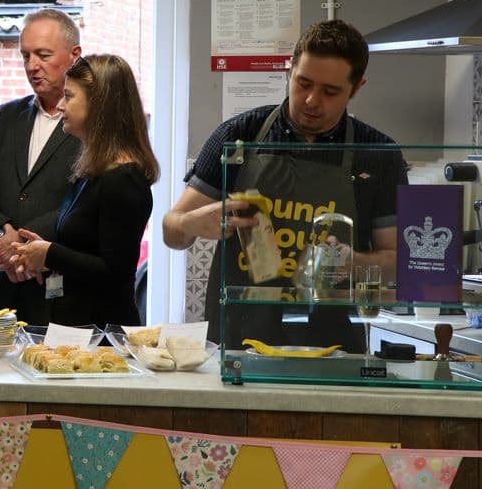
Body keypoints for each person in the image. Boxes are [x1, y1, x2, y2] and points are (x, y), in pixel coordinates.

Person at [162, 19, 407, 351]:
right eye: (303, 83)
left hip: (333, 345)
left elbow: (399, 262)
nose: (311, 101)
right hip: (239, 341)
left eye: (330, 92)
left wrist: (355, 262)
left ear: (357, 88)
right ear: (289, 70)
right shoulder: (238, 137)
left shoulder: (378, 155)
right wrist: (193, 222)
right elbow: (171, 231)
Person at [8, 55, 158, 327]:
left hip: (103, 337)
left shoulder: (123, 179)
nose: (61, 105)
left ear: (99, 105)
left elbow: (116, 272)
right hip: (77, 328)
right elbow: (85, 251)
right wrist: (41, 254)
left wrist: (50, 253)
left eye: (69, 96)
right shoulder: (93, 171)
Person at [0, 9, 83, 325]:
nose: (31, 66)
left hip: (57, 287)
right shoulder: (6, 116)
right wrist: (0, 232)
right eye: (25, 55)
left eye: (43, 55)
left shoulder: (94, 126)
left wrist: (22, 245)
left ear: (74, 56)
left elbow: (86, 202)